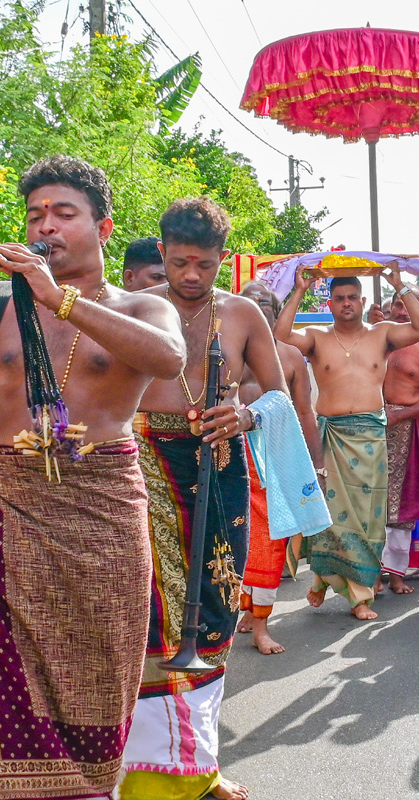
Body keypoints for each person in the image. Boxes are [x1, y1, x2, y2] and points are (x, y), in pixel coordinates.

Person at [0, 155, 186, 800]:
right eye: (36, 214)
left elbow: (168, 359)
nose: (46, 226)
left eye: (64, 214)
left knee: (101, 670)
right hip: (2, 511)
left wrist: (60, 298)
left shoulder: (141, 307)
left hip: (104, 511)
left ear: (102, 228)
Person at [123, 197, 289, 800]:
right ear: (162, 252)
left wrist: (245, 415)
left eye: (205, 264)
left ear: (223, 259)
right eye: (180, 263)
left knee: (215, 611)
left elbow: (278, 394)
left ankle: (200, 766)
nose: (191, 275)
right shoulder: (134, 310)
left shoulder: (242, 314)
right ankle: (144, 770)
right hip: (140, 464)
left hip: (219, 468)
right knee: (145, 614)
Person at [275, 269, 419, 620]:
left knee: (367, 520)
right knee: (330, 518)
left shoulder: (382, 334)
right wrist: (299, 290)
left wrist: (399, 285)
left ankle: (340, 584)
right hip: (332, 436)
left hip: (371, 437)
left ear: (362, 301)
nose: (346, 303)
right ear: (330, 304)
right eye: (339, 298)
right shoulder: (316, 337)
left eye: (352, 298)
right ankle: (350, 593)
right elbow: (281, 334)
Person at [235, 280, 325, 654]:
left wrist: (317, 466)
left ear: (274, 312)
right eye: (249, 302)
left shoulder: (289, 357)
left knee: (269, 542)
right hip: (231, 454)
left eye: (264, 304)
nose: (257, 309)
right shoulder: (223, 348)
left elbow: (303, 411)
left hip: (275, 456)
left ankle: (261, 624)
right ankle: (244, 608)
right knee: (233, 538)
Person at [380, 293, 419, 594]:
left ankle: (396, 575)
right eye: (398, 305)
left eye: (409, 306)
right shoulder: (377, 340)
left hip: (406, 428)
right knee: (368, 500)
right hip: (369, 427)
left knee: (401, 505)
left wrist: (399, 415)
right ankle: (369, 574)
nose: (402, 312)